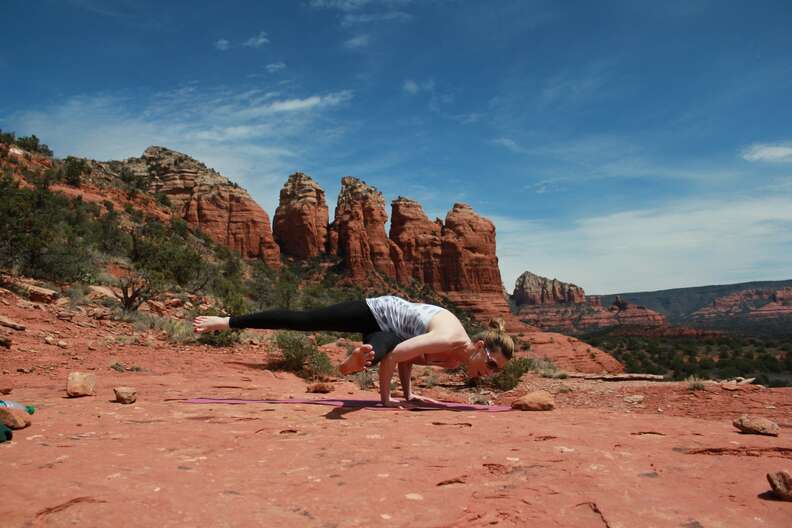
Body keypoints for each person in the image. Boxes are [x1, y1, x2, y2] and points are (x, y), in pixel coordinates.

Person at [193, 296, 514, 407]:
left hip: (390, 333)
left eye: (495, 370)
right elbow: (399, 356)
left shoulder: (457, 356)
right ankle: (226, 321)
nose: (489, 373)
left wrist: (408, 395)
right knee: (306, 319)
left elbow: (408, 358)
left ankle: (356, 361)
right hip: (375, 311)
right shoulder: (449, 340)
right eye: (491, 365)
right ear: (480, 347)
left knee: (378, 349)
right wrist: (387, 401)